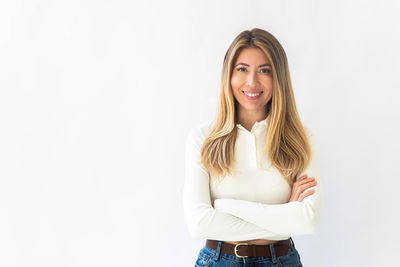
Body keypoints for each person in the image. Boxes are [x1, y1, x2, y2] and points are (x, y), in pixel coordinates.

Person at [183, 28, 322, 267]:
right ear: (229, 75)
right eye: (242, 69)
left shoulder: (300, 138)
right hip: (219, 261)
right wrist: (284, 214)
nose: (252, 82)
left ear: (278, 77)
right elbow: (199, 224)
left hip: (281, 261)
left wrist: (227, 206)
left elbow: (306, 221)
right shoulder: (203, 138)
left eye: (264, 71)